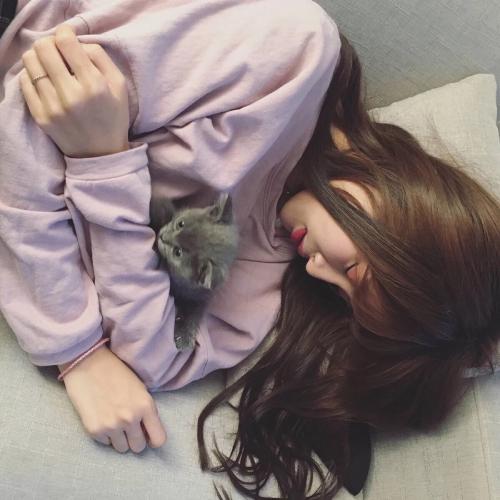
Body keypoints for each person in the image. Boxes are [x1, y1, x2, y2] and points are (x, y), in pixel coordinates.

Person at [1, 2, 499, 500]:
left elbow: (156, 358)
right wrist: (76, 350)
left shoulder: (269, 269)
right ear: (407, 210)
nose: (319, 271)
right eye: (351, 270)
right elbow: (34, 97)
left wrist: (105, 163)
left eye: (342, 295)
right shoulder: (291, 56)